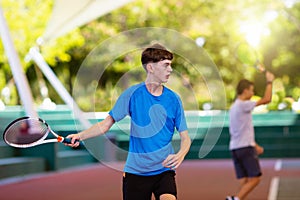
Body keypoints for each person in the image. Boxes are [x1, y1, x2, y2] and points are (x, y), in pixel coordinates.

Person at [66, 43, 191, 200]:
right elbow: (106, 124)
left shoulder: (174, 99)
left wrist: (181, 154)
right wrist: (80, 135)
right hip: (136, 173)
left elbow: (185, 137)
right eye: (166, 65)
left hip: (164, 171)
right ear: (151, 68)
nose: (170, 70)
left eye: (170, 65)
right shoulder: (132, 94)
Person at [226, 70, 275, 200]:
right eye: (251, 90)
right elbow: (267, 99)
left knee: (245, 182)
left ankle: (236, 199)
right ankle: (234, 199)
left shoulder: (234, 107)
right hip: (245, 148)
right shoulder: (244, 105)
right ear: (245, 91)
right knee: (256, 179)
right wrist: (269, 81)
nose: (253, 93)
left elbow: (240, 130)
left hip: (235, 148)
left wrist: (255, 145)